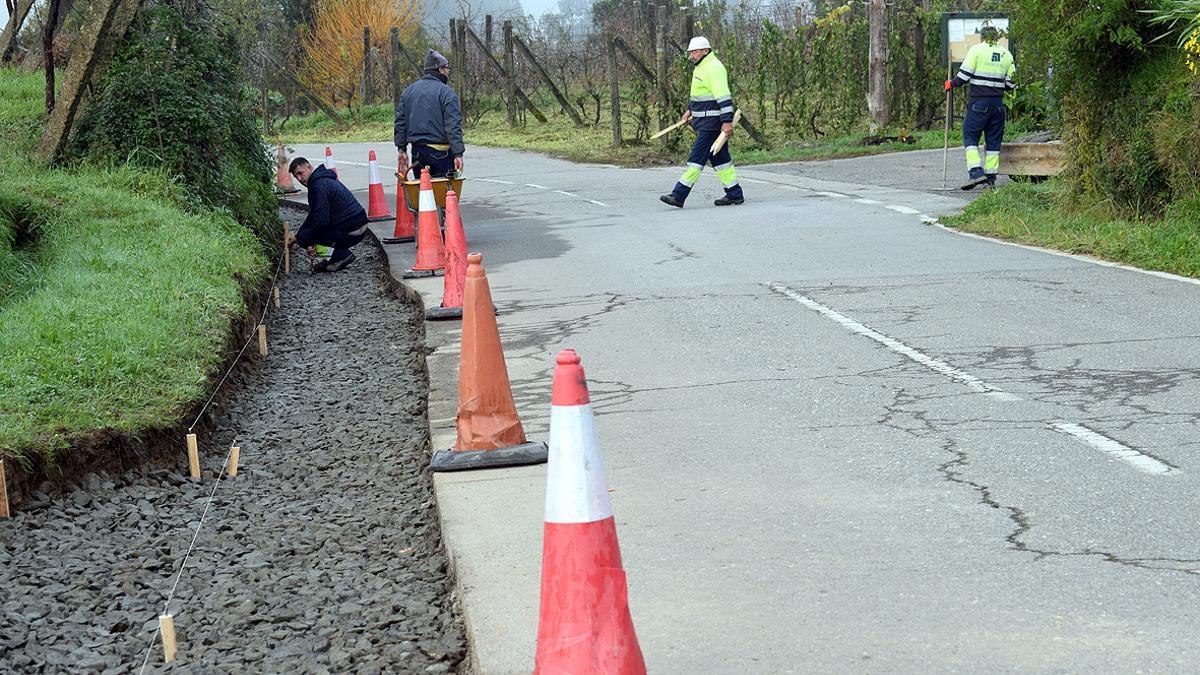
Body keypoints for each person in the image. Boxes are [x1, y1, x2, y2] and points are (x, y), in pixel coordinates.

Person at [660, 36, 745, 208]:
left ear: (705, 51)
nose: (692, 55)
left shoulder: (714, 68)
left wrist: (727, 122)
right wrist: (690, 109)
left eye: (695, 52)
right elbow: (700, 93)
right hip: (704, 121)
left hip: (712, 123)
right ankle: (734, 193)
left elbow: (724, 97)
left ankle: (678, 195)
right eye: (691, 52)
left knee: (696, 159)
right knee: (721, 160)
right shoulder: (701, 67)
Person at [946, 24, 1017, 190]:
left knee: (970, 136)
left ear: (982, 37)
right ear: (997, 37)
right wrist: (997, 85)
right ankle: (991, 179)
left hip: (979, 103)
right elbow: (1012, 83)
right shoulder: (1007, 54)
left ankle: (976, 173)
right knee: (993, 142)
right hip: (998, 105)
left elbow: (964, 75)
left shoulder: (976, 50)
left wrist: (951, 83)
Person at [286, 158, 369, 272]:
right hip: (360, 224)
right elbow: (313, 215)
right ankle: (332, 259)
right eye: (296, 177)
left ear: (309, 167)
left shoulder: (318, 186)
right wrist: (297, 236)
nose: (300, 179)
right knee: (305, 235)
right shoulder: (323, 179)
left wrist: (305, 239)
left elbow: (321, 222)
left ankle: (341, 255)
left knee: (306, 238)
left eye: (301, 173)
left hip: (350, 228)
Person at [395, 49, 465, 180]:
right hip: (442, 154)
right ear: (440, 70)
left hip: (417, 153)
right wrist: (458, 154)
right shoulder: (446, 93)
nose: (448, 71)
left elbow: (400, 123)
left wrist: (401, 149)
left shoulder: (408, 92)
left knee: (423, 193)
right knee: (443, 194)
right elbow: (452, 126)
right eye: (446, 68)